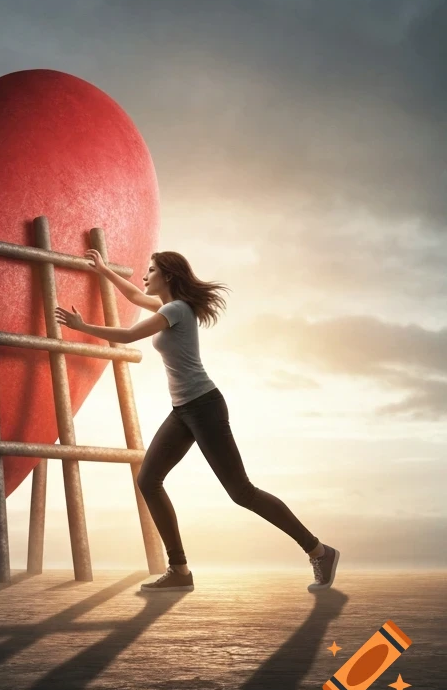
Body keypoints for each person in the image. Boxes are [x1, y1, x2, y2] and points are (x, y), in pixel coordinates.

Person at [55, 249, 339, 593]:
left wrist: (83, 327)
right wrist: (103, 270)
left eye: (151, 270)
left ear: (169, 276)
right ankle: (179, 570)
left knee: (242, 492)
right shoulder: (169, 308)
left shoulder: (175, 310)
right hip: (184, 410)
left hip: (203, 407)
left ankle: (318, 551)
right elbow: (132, 294)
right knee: (149, 479)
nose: (145, 276)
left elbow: (129, 336)